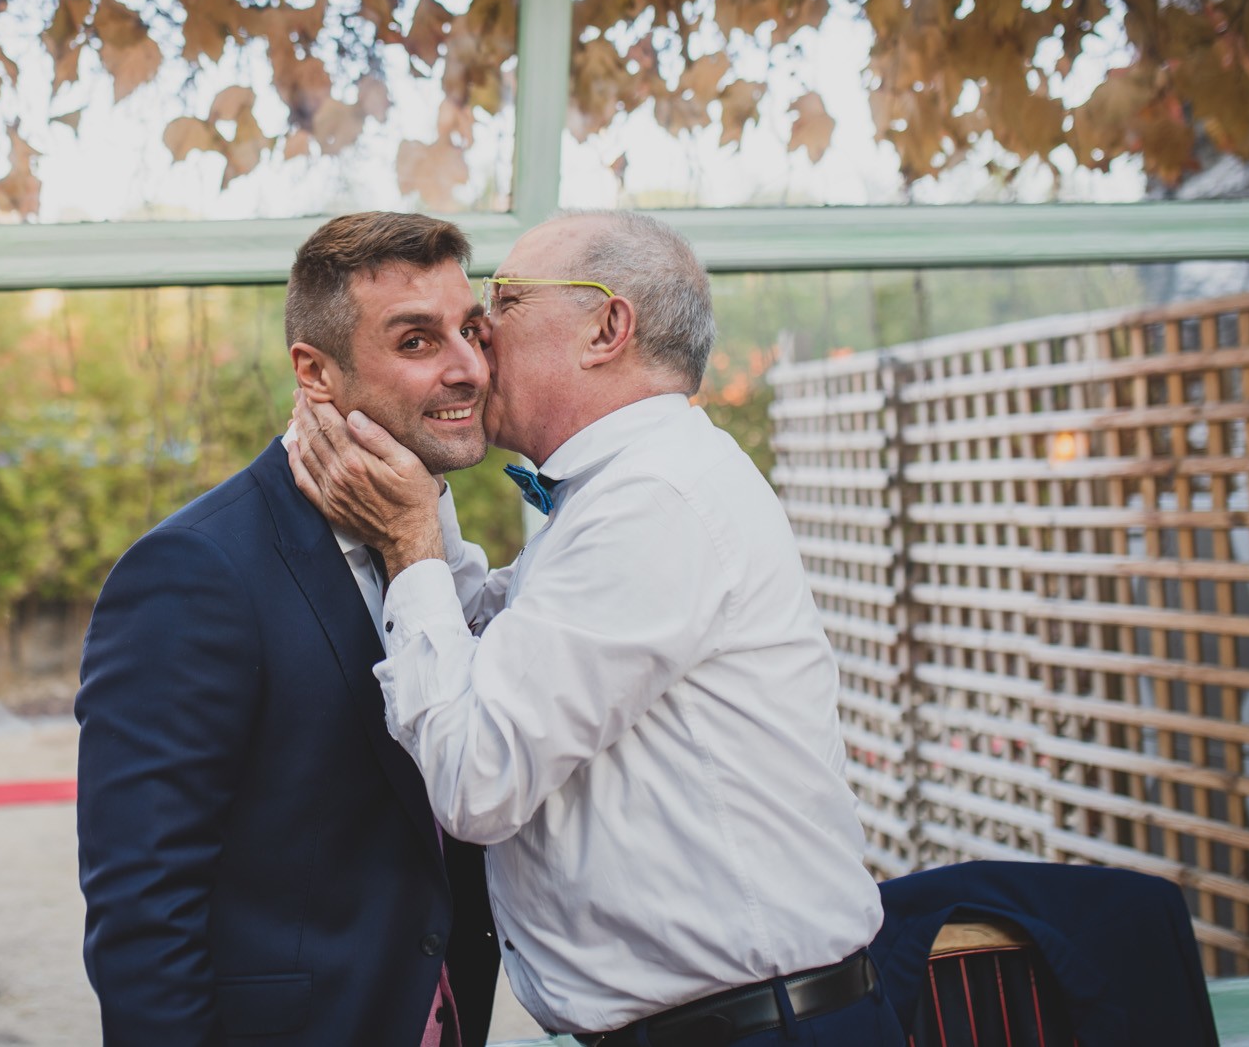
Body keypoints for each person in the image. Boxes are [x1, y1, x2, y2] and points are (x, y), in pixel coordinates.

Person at [287, 210, 900, 1047]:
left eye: (499, 303)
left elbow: (478, 777)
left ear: (607, 326)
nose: (478, 344)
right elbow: (492, 659)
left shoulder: (655, 501)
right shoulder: (620, 490)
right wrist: (423, 508)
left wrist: (409, 543)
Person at [77, 212, 500, 1047]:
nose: (469, 369)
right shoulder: (192, 573)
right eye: (417, 341)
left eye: (470, 330)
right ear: (316, 372)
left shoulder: (430, 552)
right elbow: (142, 914)